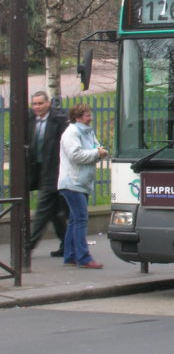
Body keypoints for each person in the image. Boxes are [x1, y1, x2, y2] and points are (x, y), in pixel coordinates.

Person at [57, 104, 109, 269]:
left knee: (74, 220)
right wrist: (96, 153)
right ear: (78, 117)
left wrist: (99, 151)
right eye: (87, 115)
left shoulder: (88, 131)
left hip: (81, 181)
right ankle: (83, 257)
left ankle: (70, 255)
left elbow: (95, 146)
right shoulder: (71, 133)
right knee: (80, 219)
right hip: (72, 181)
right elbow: (75, 155)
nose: (90, 117)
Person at [25, 91, 69, 257]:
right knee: (55, 212)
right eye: (34, 104)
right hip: (37, 171)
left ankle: (27, 247)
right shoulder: (29, 119)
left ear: (48, 103)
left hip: (54, 171)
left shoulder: (58, 120)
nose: (37, 107)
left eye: (40, 103)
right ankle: (67, 244)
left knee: (43, 209)